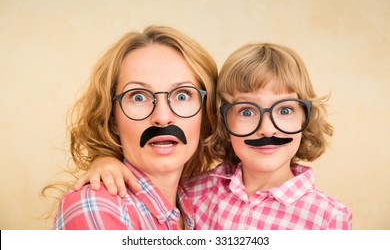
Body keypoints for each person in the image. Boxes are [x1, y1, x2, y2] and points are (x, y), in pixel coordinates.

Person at [76, 42, 352, 229]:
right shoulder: (195, 192)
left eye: (285, 110)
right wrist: (106, 160)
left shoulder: (328, 218)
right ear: (220, 120)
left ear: (307, 118)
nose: (267, 128)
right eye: (246, 112)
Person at [46, 25, 218, 229]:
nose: (162, 118)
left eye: (182, 95)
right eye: (138, 97)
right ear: (112, 119)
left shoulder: (199, 206)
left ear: (205, 114)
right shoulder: (97, 206)